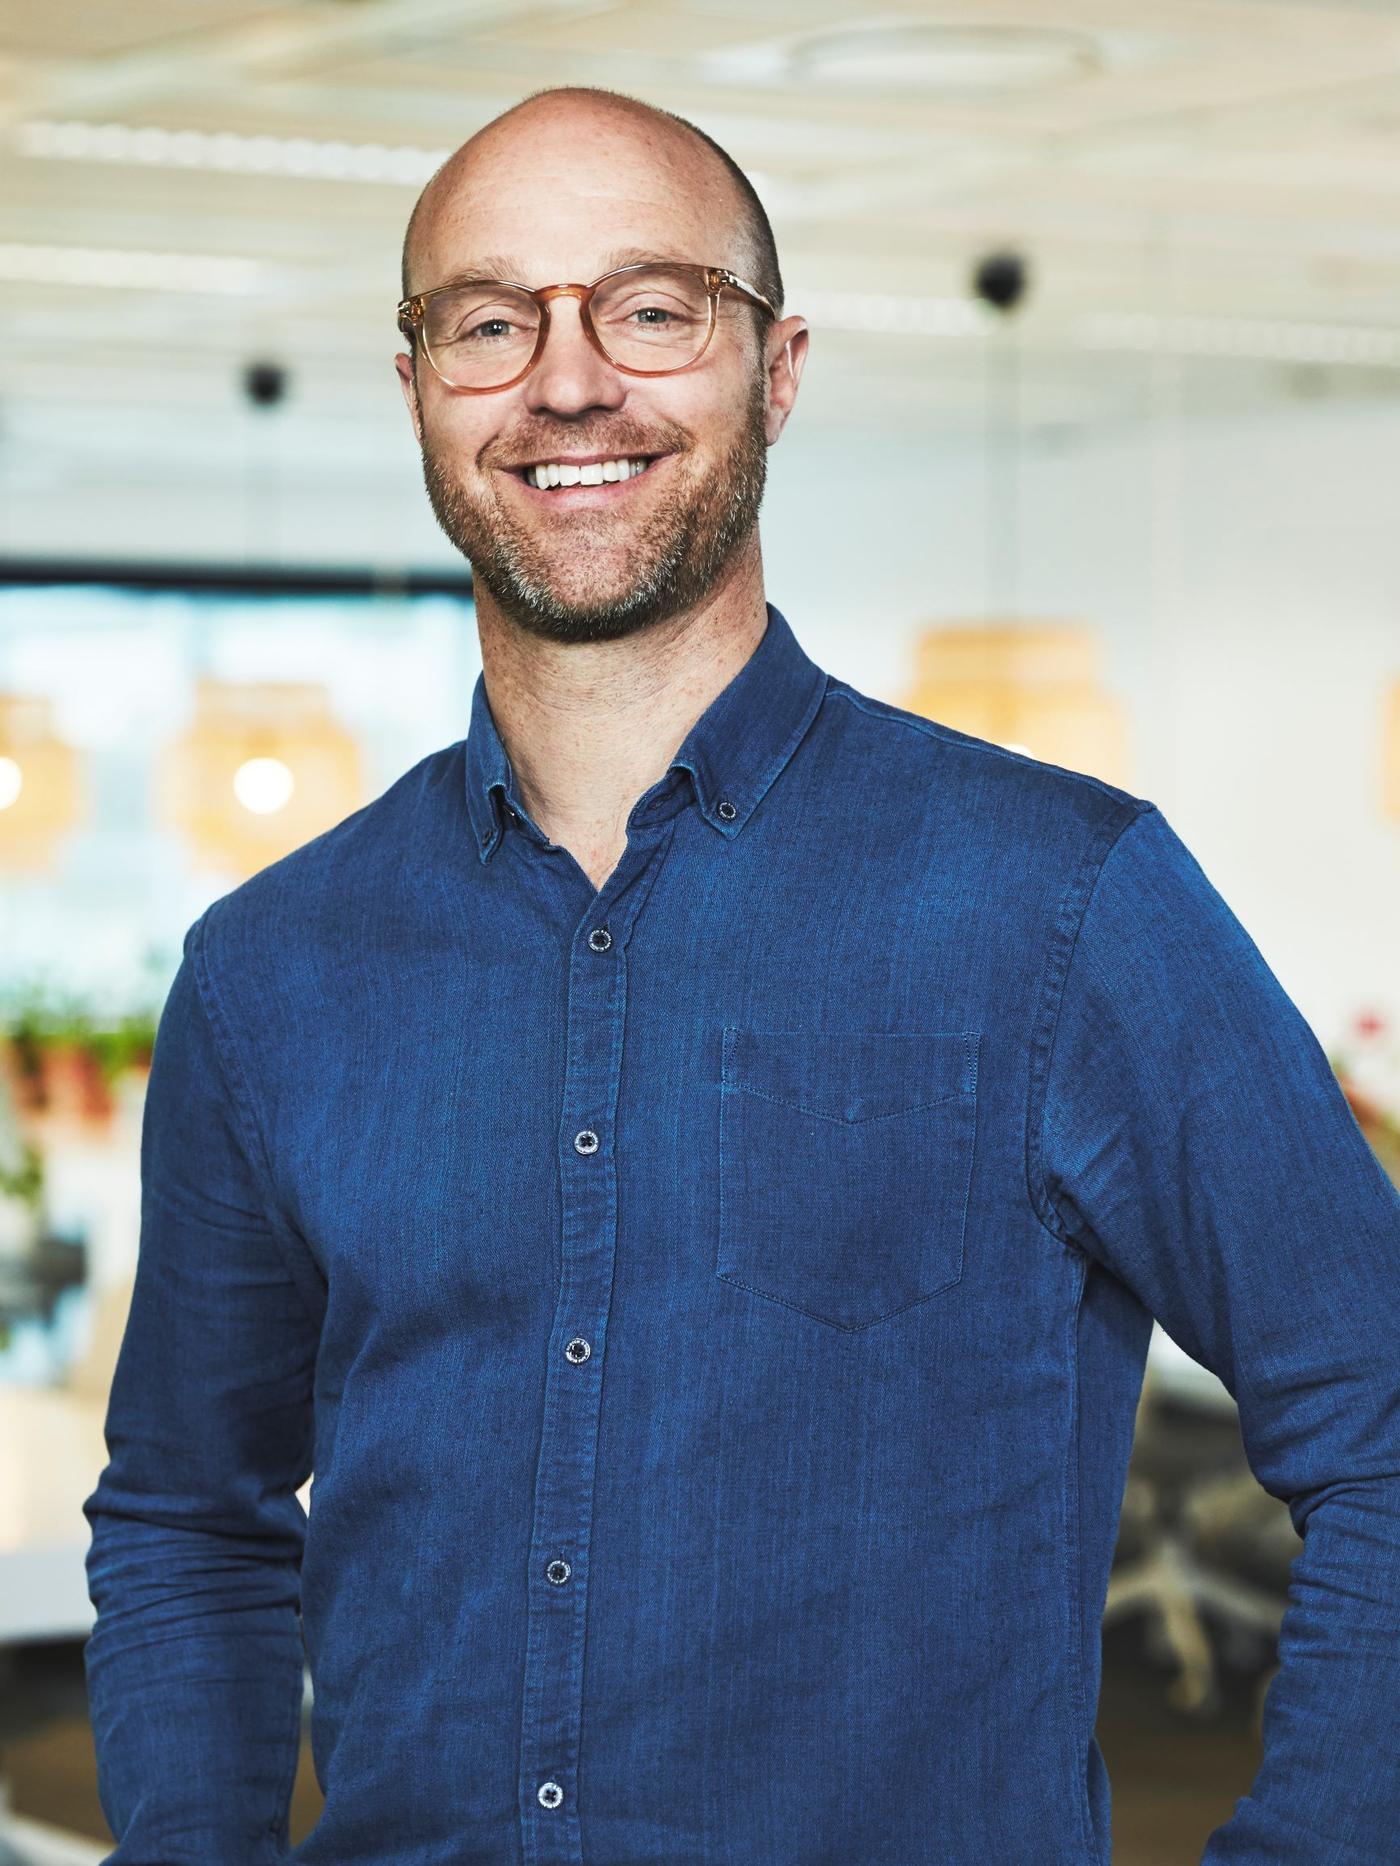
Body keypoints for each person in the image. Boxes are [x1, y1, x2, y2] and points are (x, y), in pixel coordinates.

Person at [82, 82, 1400, 1866]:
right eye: (489, 320)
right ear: (416, 388)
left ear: (776, 369)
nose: (566, 382)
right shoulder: (272, 971)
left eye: (649, 307)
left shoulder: (1064, 901)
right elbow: (187, 1518)